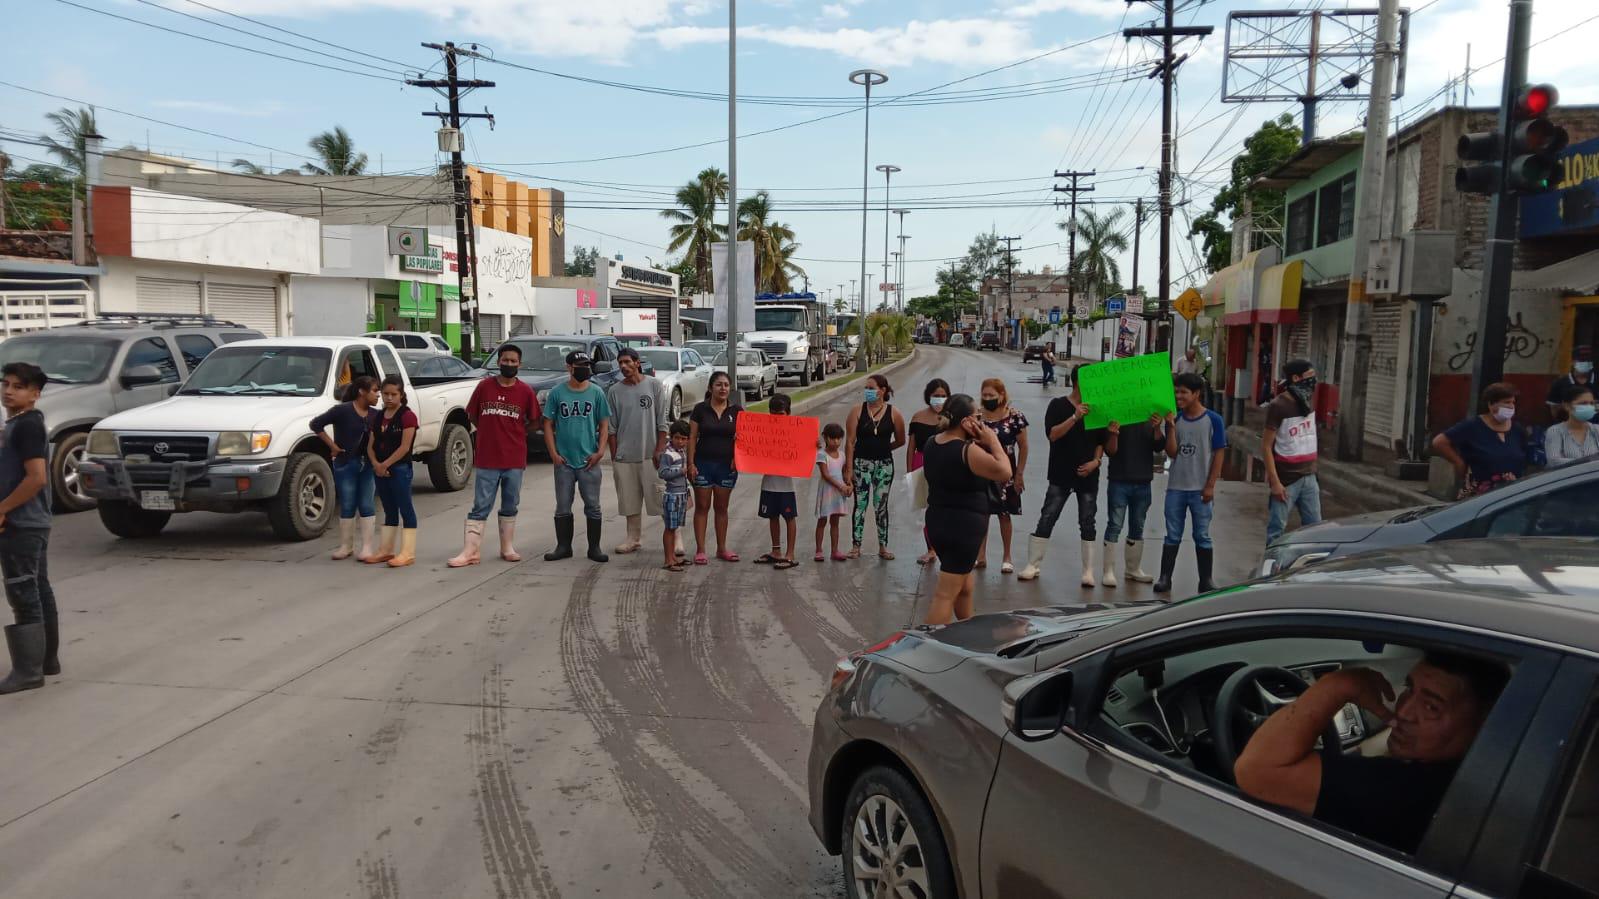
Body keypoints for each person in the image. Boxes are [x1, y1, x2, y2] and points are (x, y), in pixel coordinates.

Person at [1235, 652, 1507, 855]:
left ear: (1486, 725)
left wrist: (1337, 686)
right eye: (1409, 689)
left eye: (1431, 707)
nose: (1403, 712)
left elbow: (1257, 770)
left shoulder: (1407, 793)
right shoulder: (1488, 781)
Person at [923, 394, 1013, 625]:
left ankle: (968, 631)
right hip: (962, 528)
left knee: (964, 585)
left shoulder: (933, 442)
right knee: (945, 594)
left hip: (938, 522)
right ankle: (930, 646)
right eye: (977, 418)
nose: (982, 423)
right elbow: (1004, 471)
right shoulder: (966, 451)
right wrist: (992, 440)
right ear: (965, 422)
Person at [450, 345, 541, 568]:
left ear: (519, 364)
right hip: (487, 459)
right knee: (481, 505)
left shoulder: (526, 391)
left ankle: (507, 547)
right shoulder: (484, 387)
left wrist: (516, 432)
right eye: (505, 360)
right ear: (498, 361)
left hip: (514, 459)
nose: (509, 364)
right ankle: (470, 551)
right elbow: (472, 415)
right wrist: (490, 432)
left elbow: (535, 421)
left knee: (510, 503)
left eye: (513, 361)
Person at [0, 363, 56, 693]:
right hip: (33, 520)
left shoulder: (27, 426)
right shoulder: (20, 424)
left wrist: (3, 509)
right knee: (38, 587)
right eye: (5, 384)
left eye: (18, 387)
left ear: (34, 394)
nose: (8, 391)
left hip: (22, 522)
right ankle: (47, 660)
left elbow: (36, 478)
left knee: (23, 593)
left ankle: (28, 672)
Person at [1019, 366, 1101, 585]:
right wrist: (1075, 417)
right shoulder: (1057, 405)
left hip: (1088, 475)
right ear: (1077, 382)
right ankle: (1033, 564)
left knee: (1087, 521)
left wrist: (1095, 462)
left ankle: (1088, 571)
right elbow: (1053, 435)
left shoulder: (1098, 408)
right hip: (1061, 472)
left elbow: (1101, 443)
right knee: (1048, 516)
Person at [1155, 372, 1227, 595]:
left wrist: (1210, 486)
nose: (1179, 396)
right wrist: (1169, 428)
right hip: (1176, 487)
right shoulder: (1174, 418)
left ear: (1196, 394)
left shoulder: (1213, 420)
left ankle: (1205, 580)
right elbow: (1172, 452)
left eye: (1184, 392)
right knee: (1172, 534)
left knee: (1202, 535)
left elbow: (1219, 454)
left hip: (1200, 489)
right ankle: (1165, 578)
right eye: (1176, 391)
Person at [543, 351, 612, 563]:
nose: (585, 368)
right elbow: (548, 423)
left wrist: (600, 451)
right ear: (569, 367)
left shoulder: (597, 393)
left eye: (587, 365)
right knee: (563, 505)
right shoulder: (557, 393)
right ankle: (564, 546)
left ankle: (594, 548)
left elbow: (604, 424)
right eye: (580, 365)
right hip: (563, 460)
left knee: (593, 505)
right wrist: (553, 453)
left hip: (588, 460)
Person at [606, 347, 669, 555]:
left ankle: (674, 537)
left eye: (627, 362)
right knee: (629, 501)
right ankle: (633, 538)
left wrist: (659, 450)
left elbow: (662, 422)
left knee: (661, 499)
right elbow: (611, 427)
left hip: (651, 456)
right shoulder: (615, 391)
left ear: (637, 362)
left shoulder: (654, 386)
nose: (624, 366)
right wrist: (615, 455)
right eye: (620, 363)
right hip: (625, 456)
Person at [311, 375, 379, 562]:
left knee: (366, 503)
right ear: (361, 392)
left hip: (367, 465)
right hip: (345, 463)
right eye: (374, 390)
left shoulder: (376, 415)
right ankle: (346, 546)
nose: (378, 395)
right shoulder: (342, 411)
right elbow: (316, 424)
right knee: (348, 503)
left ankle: (366, 547)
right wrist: (332, 446)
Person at [1432, 382, 1537, 498]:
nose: (1511, 406)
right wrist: (1459, 462)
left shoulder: (1517, 430)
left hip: (1510, 495)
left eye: (1513, 402)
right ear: (1491, 405)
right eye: (1506, 402)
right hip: (1479, 495)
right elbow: (1439, 442)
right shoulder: (1472, 426)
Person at [844, 374, 906, 560]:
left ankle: (882, 545)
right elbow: (850, 441)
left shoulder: (894, 413)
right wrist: (849, 468)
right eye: (867, 388)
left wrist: (886, 448)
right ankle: (856, 545)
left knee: (881, 505)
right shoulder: (857, 411)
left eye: (872, 388)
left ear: (882, 390)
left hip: (884, 466)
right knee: (860, 504)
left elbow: (901, 439)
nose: (868, 391)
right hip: (861, 463)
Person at [1102, 409, 1165, 587]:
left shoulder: (1149, 417)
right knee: (1115, 524)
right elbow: (1110, 451)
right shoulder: (1115, 415)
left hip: (1143, 481)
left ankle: (1133, 569)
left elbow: (1159, 447)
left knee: (1138, 525)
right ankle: (1108, 571)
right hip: (1119, 480)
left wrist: (1157, 428)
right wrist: (1114, 434)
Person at [1264, 359, 1322, 546]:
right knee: (1276, 531)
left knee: (1314, 530)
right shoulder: (1278, 405)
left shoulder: (1308, 400)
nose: (1313, 381)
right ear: (1295, 378)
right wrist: (1275, 482)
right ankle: (1271, 570)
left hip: (1309, 477)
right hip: (1286, 480)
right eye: (1309, 377)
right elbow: (1266, 446)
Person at [687, 371, 741, 564]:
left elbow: (745, 439)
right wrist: (690, 463)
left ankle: (721, 548)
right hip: (702, 464)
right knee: (702, 507)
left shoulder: (737, 411)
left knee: (722, 508)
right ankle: (701, 550)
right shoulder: (700, 409)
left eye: (726, 385)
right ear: (710, 388)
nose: (723, 388)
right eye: (719, 385)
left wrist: (738, 458)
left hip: (726, 467)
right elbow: (692, 437)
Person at [978, 378, 1029, 573]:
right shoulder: (977, 417)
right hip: (982, 468)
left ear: (1001, 395)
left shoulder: (1015, 417)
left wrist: (1019, 474)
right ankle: (980, 555)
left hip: (1006, 470)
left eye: (992, 395)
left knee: (1004, 514)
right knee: (982, 513)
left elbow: (1024, 446)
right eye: (985, 395)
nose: (988, 398)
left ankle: (1007, 556)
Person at [367, 375, 419, 567]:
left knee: (405, 507)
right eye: (385, 394)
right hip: (380, 469)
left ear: (401, 395)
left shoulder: (407, 416)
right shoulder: (378, 416)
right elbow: (370, 445)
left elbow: (405, 447)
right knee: (388, 509)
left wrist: (386, 464)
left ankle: (408, 552)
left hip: (399, 468)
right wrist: (376, 464)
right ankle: (386, 550)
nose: (389, 398)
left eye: (393, 394)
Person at [907, 379, 950, 566]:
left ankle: (946, 548)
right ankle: (930, 549)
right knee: (926, 510)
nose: (939, 400)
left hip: (945, 465)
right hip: (921, 463)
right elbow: (911, 448)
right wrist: (910, 473)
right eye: (935, 396)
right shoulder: (917, 418)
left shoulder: (951, 418)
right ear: (928, 396)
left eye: (942, 396)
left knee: (945, 509)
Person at [755, 394, 801, 569]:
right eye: (773, 413)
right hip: (769, 482)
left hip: (787, 485)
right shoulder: (764, 431)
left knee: (789, 517)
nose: (776, 417)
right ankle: (776, 551)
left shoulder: (797, 432)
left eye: (780, 413)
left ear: (788, 413)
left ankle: (790, 554)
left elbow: (805, 450)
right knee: (772, 516)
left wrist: (814, 445)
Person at [657, 419, 693, 573]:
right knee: (669, 528)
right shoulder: (668, 453)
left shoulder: (681, 452)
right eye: (677, 438)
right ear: (671, 437)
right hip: (672, 495)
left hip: (681, 494)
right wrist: (680, 471)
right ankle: (668, 560)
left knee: (675, 526)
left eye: (684, 439)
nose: (680, 441)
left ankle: (673, 557)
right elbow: (662, 473)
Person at [815, 422, 852, 562]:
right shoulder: (821, 455)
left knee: (835, 522)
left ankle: (835, 550)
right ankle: (818, 550)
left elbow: (845, 473)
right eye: (832, 438)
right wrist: (841, 486)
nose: (836, 442)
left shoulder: (842, 455)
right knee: (822, 521)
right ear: (825, 437)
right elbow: (826, 475)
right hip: (827, 492)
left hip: (838, 493)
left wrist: (849, 485)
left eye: (838, 439)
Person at [1546, 383, 1599, 466]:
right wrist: (1589, 462)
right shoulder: (1555, 431)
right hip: (1567, 478)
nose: (1589, 407)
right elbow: (1554, 461)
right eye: (1583, 403)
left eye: (1591, 403)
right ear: (1567, 406)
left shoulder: (1596, 430)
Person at [1546, 347, 1594, 421]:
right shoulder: (1560, 383)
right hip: (1567, 426)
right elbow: (1554, 409)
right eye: (1581, 360)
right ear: (1572, 362)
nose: (1585, 363)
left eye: (1588, 360)